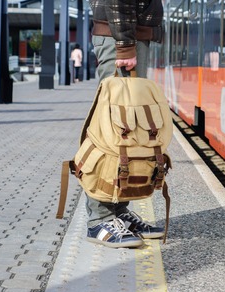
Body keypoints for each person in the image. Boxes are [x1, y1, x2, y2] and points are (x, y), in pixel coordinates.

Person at [86, 0, 165, 248]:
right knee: (113, 128)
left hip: (127, 35)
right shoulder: (123, 42)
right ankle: (100, 218)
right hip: (119, 36)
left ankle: (118, 211)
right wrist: (124, 45)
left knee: (127, 130)